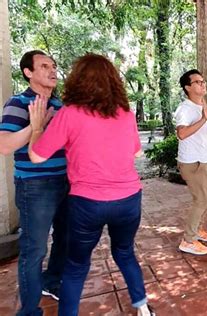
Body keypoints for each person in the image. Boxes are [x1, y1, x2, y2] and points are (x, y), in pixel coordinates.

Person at [27, 54, 154, 316]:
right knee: (125, 253)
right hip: (128, 200)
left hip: (88, 203)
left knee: (76, 266)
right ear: (113, 82)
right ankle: (143, 308)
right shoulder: (126, 114)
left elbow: (36, 156)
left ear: (77, 80)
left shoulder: (69, 114)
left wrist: (37, 128)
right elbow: (135, 153)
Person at [0, 50, 68, 315]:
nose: (52, 70)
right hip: (35, 186)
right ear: (28, 72)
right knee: (35, 249)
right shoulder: (18, 103)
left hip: (66, 182)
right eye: (43, 66)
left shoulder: (62, 105)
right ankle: (28, 310)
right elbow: (4, 146)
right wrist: (34, 126)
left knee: (65, 239)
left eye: (53, 65)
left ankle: (52, 282)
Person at [174, 69, 207, 256]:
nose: (203, 84)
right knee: (200, 200)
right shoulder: (185, 108)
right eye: (198, 82)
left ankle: (197, 230)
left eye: (203, 81)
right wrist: (203, 119)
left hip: (204, 159)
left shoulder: (202, 106)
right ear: (187, 87)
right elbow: (181, 134)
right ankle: (188, 240)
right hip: (191, 162)